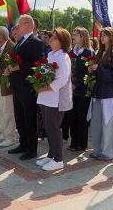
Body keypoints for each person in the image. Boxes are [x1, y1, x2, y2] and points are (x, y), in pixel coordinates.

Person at [6, 15, 45, 160]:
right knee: (19, 117)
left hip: (27, 86)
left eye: (19, 24)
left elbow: (38, 63)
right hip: (17, 85)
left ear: (28, 25)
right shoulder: (19, 42)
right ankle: (23, 143)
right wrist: (10, 68)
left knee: (29, 118)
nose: (17, 27)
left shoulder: (36, 42)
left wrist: (19, 67)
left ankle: (31, 149)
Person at [35, 28, 73, 171]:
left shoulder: (63, 57)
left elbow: (62, 79)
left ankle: (58, 159)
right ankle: (51, 155)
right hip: (46, 97)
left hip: (55, 99)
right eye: (51, 37)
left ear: (62, 41)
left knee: (54, 129)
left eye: (54, 38)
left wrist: (45, 87)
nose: (50, 39)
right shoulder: (51, 54)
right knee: (48, 128)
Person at [87, 27, 113, 161]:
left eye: (105, 35)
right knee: (96, 124)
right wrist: (92, 69)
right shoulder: (100, 52)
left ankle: (108, 153)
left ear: (111, 37)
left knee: (108, 125)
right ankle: (97, 150)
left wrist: (99, 69)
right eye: (101, 35)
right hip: (98, 92)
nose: (102, 38)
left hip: (109, 94)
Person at [66, 27, 94, 152]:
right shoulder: (71, 53)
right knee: (72, 117)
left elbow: (90, 74)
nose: (73, 37)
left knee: (82, 117)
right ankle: (73, 142)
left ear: (82, 37)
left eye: (75, 34)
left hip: (83, 91)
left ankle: (82, 143)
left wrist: (77, 84)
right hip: (70, 90)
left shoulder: (89, 53)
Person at [0, 26, 18, 147]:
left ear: (1, 37)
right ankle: (4, 132)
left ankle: (10, 137)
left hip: (8, 85)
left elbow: (12, 65)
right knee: (0, 109)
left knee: (8, 111)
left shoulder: (11, 47)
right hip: (1, 83)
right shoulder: (1, 48)